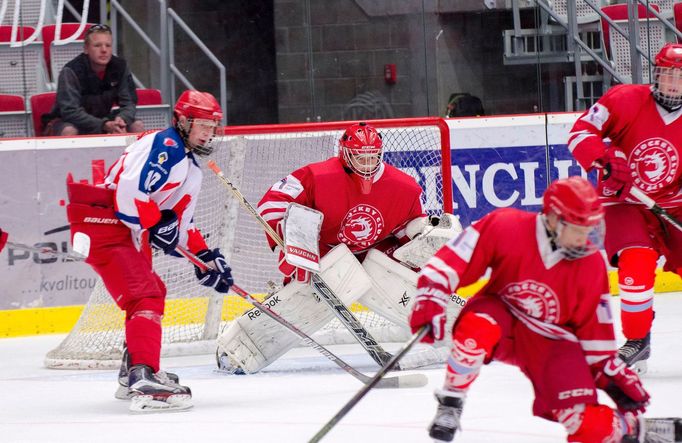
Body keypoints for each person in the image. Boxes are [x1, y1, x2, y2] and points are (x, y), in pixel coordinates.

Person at [409, 177, 652, 442]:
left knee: (586, 426)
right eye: (577, 228)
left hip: (553, 339)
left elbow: (595, 335)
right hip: (502, 315)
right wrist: (432, 295)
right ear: (553, 218)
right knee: (475, 329)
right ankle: (451, 401)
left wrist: (610, 371)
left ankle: (633, 428)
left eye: (590, 228)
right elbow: (451, 262)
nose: (584, 238)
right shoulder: (504, 226)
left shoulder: (591, 264)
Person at [216, 122, 462, 374]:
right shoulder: (317, 176)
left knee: (390, 276)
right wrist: (290, 248)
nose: (367, 164)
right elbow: (271, 205)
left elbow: (405, 228)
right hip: (325, 256)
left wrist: (423, 238)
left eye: (372, 157)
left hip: (372, 255)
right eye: (360, 157)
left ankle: (461, 328)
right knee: (325, 283)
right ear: (345, 154)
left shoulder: (404, 187)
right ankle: (241, 349)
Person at [66, 90, 232, 412]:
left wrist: (206, 259)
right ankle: (143, 379)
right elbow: (129, 195)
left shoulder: (189, 166)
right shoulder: (165, 146)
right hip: (106, 223)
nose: (209, 132)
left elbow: (181, 225)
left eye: (213, 126)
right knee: (145, 296)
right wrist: (158, 224)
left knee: (152, 291)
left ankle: (134, 372)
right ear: (183, 121)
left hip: (123, 231)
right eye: (203, 125)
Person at [567, 42, 682, 374]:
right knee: (636, 264)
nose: (673, 84)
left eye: (680, 77)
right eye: (667, 75)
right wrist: (602, 160)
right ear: (655, 76)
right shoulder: (624, 99)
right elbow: (580, 132)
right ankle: (637, 340)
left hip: (673, 204)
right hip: (623, 201)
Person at [42, 23, 144, 136]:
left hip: (103, 118)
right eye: (97, 45)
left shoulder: (120, 66)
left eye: (108, 45)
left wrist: (121, 119)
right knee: (69, 130)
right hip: (69, 121)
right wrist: (103, 125)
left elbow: (129, 103)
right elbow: (70, 112)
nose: (104, 50)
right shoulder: (70, 71)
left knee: (136, 125)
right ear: (86, 49)